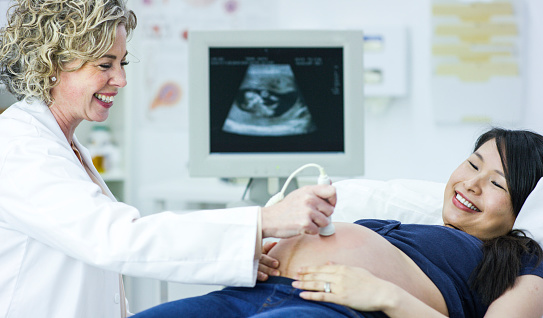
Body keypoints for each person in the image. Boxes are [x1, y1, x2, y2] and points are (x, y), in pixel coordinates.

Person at [0, 1, 336, 317]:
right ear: (50, 66)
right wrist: (264, 221)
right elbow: (118, 239)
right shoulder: (21, 151)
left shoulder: (63, 144)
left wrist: (240, 251)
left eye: (122, 62)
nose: (121, 79)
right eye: (105, 65)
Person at [131, 128, 543, 318]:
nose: (469, 184)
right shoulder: (405, 224)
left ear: (525, 207)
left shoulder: (526, 261)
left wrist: (384, 295)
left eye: (495, 183)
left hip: (337, 311)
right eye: (472, 164)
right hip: (251, 293)